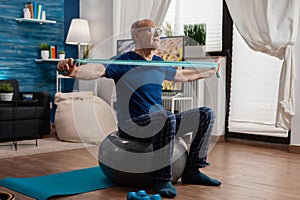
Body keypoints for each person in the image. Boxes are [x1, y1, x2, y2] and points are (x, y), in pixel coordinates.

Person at [57, 19, 221, 198]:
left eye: (158, 30)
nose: (158, 33)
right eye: (152, 30)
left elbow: (182, 75)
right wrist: (72, 71)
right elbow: (96, 69)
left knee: (205, 114)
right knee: (165, 117)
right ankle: (162, 178)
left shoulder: (159, 62)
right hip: (133, 125)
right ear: (137, 35)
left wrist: (209, 72)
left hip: (161, 122)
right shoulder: (124, 61)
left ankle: (193, 170)